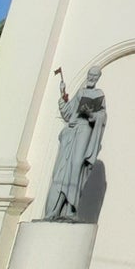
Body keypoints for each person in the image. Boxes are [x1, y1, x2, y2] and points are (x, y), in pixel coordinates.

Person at [43, 65, 107, 222]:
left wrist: (91, 114)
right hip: (71, 132)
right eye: (90, 75)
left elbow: (101, 116)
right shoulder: (80, 92)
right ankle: (55, 210)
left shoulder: (99, 94)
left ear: (98, 78)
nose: (91, 78)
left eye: (95, 76)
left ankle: (71, 210)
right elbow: (68, 113)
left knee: (76, 166)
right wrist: (62, 94)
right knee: (62, 171)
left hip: (85, 131)